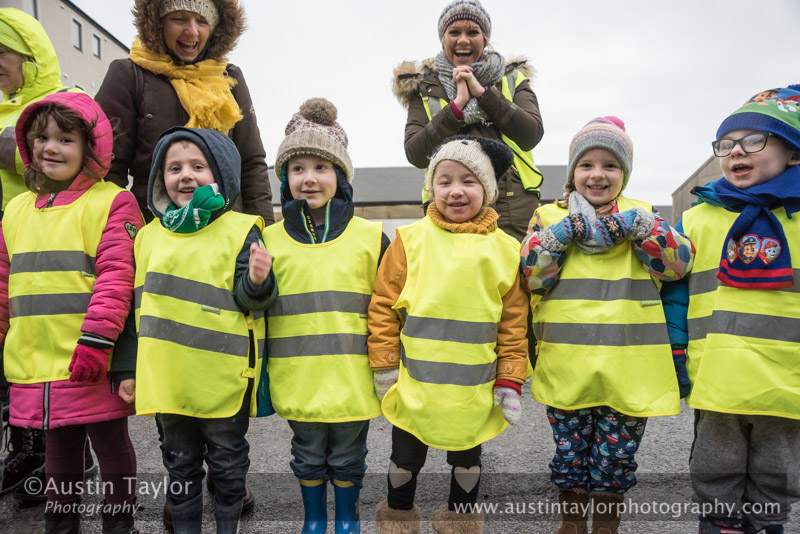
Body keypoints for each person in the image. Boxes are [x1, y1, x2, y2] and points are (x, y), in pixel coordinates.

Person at [521, 117, 694, 534]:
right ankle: (572, 524)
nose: (597, 174)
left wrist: (645, 230)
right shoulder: (547, 216)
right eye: (586, 165)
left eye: (610, 166)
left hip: (628, 370)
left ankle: (606, 527)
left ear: (625, 174)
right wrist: (557, 237)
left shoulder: (643, 214)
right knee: (569, 454)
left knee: (615, 459)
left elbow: (677, 266)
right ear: (572, 172)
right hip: (568, 366)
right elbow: (531, 277)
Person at [369, 135, 528, 534]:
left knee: (467, 458)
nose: (455, 190)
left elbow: (514, 322)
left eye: (468, 180)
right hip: (414, 386)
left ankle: (460, 520)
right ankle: (399, 518)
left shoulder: (507, 249)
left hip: (473, 390)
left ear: (487, 189)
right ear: (431, 187)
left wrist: (510, 377)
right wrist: (385, 367)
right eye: (444, 180)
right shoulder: (410, 240)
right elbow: (383, 307)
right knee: (404, 458)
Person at [0, 92, 142, 533]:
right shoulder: (16, 209)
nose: (51, 147)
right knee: (59, 455)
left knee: (111, 448)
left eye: (65, 139)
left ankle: (119, 525)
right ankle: (60, 528)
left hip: (89, 357)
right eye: (41, 137)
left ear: (89, 148)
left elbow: (116, 278)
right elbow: (3, 279)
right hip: (34, 359)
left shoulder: (111, 201)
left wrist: (97, 344)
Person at [664, 85, 800, 534]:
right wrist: (677, 352)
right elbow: (677, 293)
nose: (736, 152)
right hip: (717, 375)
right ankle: (720, 524)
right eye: (726, 145)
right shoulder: (698, 218)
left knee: (778, 468)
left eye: (754, 141)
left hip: (786, 378)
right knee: (715, 463)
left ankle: (766, 523)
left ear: (794, 154)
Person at [131, 126, 276, 533]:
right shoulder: (146, 237)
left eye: (198, 166)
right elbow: (135, 309)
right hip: (168, 381)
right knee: (178, 465)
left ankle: (228, 525)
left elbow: (253, 302)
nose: (186, 175)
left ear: (222, 175)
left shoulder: (241, 229)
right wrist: (127, 371)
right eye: (174, 167)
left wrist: (259, 282)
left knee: (229, 464)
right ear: (160, 178)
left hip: (221, 380)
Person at [267, 98, 390, 534]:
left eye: (321, 167)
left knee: (348, 456)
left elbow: (391, 307)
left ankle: (348, 520)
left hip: (354, 376)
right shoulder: (269, 239)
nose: (309, 178)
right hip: (296, 376)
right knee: (306, 451)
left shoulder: (370, 237)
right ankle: (315, 520)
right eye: (297, 168)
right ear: (284, 179)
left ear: (340, 175)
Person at [95, 0, 273, 224]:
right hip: (154, 231)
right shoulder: (129, 74)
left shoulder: (230, 78)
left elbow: (251, 163)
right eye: (179, 19)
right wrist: (118, 232)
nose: (192, 31)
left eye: (202, 21)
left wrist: (262, 230)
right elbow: (107, 166)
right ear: (157, 23)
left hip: (226, 231)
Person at [0, 8, 77, 498]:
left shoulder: (64, 102)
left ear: (29, 57)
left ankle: (54, 454)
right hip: (4, 248)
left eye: (2, 53)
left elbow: (70, 164)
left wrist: (11, 146)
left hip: (41, 245)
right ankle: (26, 450)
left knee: (44, 347)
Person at [392, 0, 544, 242]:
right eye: (455, 32)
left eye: (473, 32)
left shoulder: (513, 78)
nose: (463, 40)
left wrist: (484, 94)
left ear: (485, 38)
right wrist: (457, 105)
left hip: (513, 205)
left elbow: (531, 134)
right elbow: (416, 152)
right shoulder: (422, 86)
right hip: (449, 206)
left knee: (514, 278)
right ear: (443, 38)